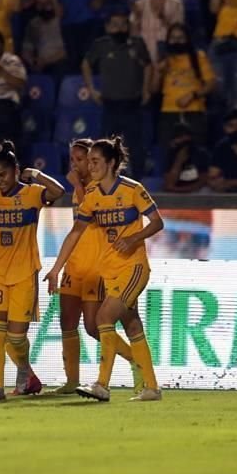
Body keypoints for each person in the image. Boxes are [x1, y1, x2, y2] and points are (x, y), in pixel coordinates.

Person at [44, 136, 163, 402]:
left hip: (133, 268)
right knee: (132, 326)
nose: (91, 165)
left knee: (102, 319)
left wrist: (133, 238)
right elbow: (75, 233)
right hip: (110, 271)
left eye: (95, 161)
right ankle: (152, 388)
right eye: (89, 161)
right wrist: (55, 269)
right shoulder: (93, 195)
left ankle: (102, 385)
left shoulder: (133, 189)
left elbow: (157, 222)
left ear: (111, 163)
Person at [0, 141, 64, 400]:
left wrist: (36, 174)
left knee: (16, 338)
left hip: (24, 273)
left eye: (3, 175)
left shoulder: (31, 194)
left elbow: (58, 191)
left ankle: (25, 371)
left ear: (15, 171)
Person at [82, 13, 153, 177]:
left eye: (123, 24)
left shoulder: (137, 43)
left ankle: (137, 182)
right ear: (107, 27)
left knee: (136, 147)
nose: (119, 28)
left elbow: (148, 65)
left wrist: (146, 89)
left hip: (133, 104)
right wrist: (91, 89)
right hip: (110, 104)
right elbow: (86, 63)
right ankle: (104, 181)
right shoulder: (101, 45)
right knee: (106, 147)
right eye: (115, 25)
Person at [155, 22, 215, 151]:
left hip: (194, 110)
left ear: (187, 39)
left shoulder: (199, 58)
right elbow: (153, 89)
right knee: (168, 153)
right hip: (168, 112)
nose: (177, 41)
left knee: (197, 152)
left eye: (181, 38)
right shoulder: (164, 59)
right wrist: (159, 72)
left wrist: (193, 95)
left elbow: (211, 84)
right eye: (173, 38)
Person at [131, 0, 185, 66]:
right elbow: (134, 34)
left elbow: (179, 31)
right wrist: (137, 19)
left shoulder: (176, 3)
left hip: (167, 52)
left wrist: (163, 18)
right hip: (145, 54)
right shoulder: (139, 4)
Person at [21, 0, 67, 77]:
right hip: (39, 63)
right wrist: (32, 61)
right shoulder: (33, 24)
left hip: (58, 61)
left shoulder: (63, 22)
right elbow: (27, 48)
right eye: (40, 4)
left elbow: (67, 50)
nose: (44, 7)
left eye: (47, 3)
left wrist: (47, 61)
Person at [163, 124, 210, 194]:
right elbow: (169, 184)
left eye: (185, 136)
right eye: (179, 137)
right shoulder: (171, 154)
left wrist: (180, 190)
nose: (182, 140)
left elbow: (203, 181)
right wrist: (178, 162)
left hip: (197, 191)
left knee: (206, 191)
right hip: (175, 192)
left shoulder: (201, 153)